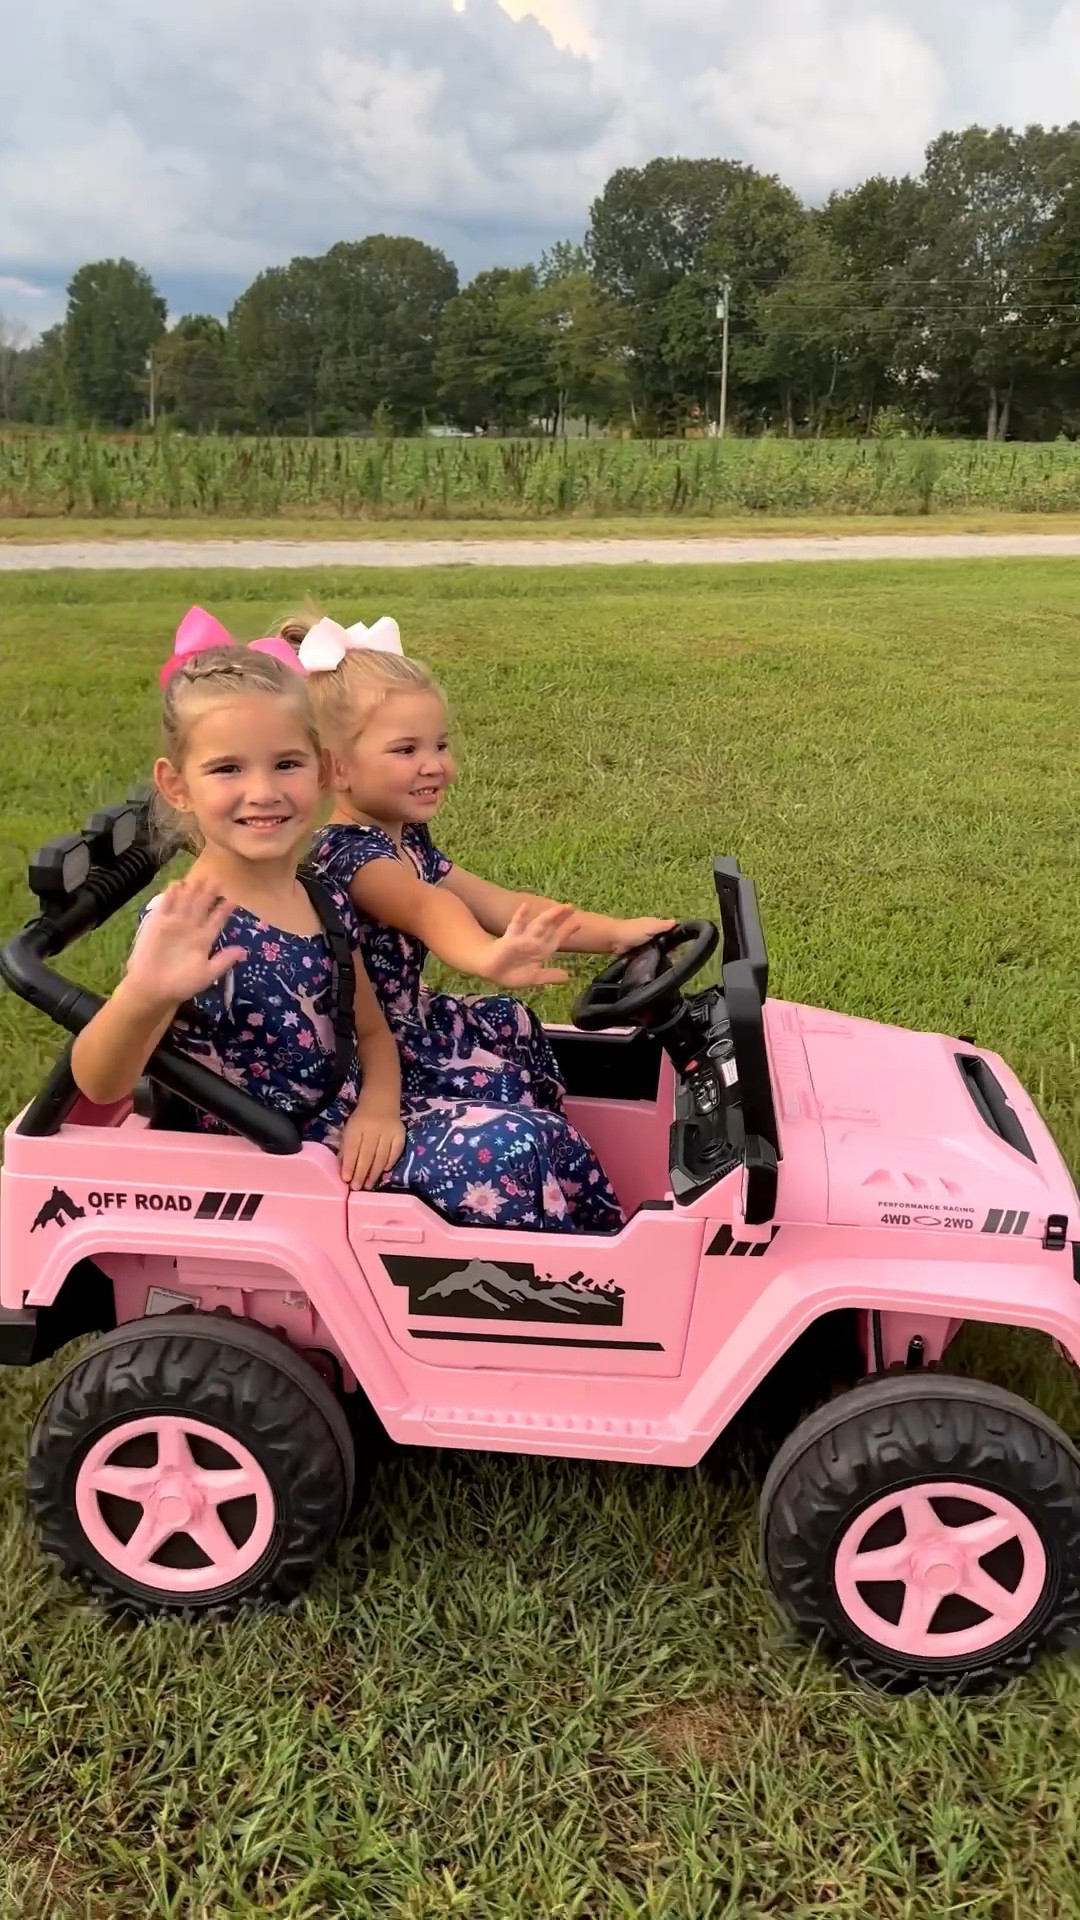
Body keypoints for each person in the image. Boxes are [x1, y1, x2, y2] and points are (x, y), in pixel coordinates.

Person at [279, 606, 676, 1233]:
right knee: (515, 1131)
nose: (433, 764)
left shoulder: (406, 838)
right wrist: (488, 957)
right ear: (338, 768)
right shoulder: (351, 857)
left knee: (511, 1023)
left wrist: (615, 933)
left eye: (438, 745)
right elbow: (428, 908)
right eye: (405, 750)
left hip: (407, 1026)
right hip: (366, 1060)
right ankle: (549, 1248)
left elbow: (499, 904)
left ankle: (561, 1199)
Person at [70, 609, 405, 1191]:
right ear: (177, 786)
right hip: (278, 1169)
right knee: (510, 1151)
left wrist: (380, 1108)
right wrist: (143, 995)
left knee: (528, 1111)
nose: (263, 792)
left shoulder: (320, 894)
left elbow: (372, 1034)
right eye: (227, 769)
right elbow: (101, 1084)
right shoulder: (188, 924)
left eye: (286, 764)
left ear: (322, 772)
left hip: (355, 1132)